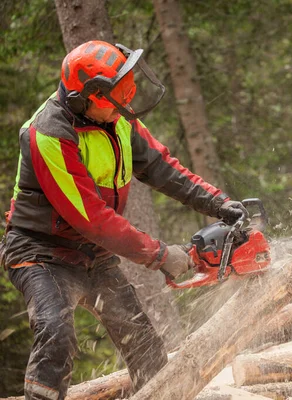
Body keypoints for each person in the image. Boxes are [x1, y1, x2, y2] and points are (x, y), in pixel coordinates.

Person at [0, 40, 248, 400]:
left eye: (127, 87)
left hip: (92, 254)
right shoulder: (47, 135)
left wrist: (219, 203)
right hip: (41, 254)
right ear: (85, 97)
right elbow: (93, 219)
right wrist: (162, 255)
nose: (126, 99)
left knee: (143, 344)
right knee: (56, 331)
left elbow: (163, 168)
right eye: (117, 92)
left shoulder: (117, 118)